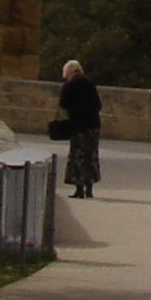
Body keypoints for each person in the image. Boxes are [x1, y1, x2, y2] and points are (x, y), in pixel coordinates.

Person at [59, 58, 102, 198]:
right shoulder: (90, 84)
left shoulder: (70, 85)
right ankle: (89, 188)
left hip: (78, 125)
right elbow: (98, 105)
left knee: (78, 156)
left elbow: (63, 104)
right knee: (91, 155)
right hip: (93, 125)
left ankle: (79, 189)